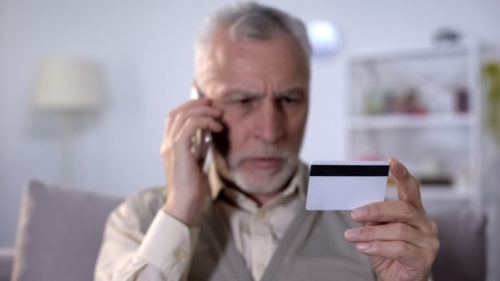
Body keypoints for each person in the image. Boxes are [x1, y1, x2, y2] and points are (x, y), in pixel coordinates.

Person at [94, 2, 439, 281]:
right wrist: (182, 208)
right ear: (197, 101)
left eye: (290, 100)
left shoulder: (368, 215)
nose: (271, 131)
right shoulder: (140, 219)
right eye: (243, 101)